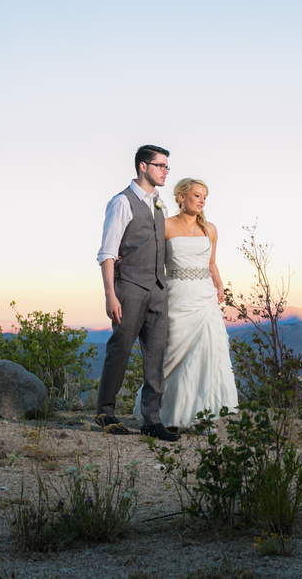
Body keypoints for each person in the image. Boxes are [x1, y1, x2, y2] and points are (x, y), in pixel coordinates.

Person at [135, 177, 238, 430]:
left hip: (205, 297)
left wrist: (220, 285)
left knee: (207, 354)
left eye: (205, 196)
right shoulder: (166, 226)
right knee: (173, 355)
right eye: (197, 195)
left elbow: (212, 262)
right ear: (182, 197)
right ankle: (165, 414)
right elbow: (154, 262)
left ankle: (201, 415)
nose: (202, 200)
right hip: (177, 295)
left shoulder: (210, 229)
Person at [95, 145, 180, 442]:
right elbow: (107, 253)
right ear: (143, 167)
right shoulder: (122, 202)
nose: (165, 171)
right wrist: (110, 295)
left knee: (155, 356)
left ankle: (152, 420)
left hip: (158, 289)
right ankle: (105, 412)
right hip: (129, 288)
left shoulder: (160, 205)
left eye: (167, 167)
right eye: (161, 166)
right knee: (120, 349)